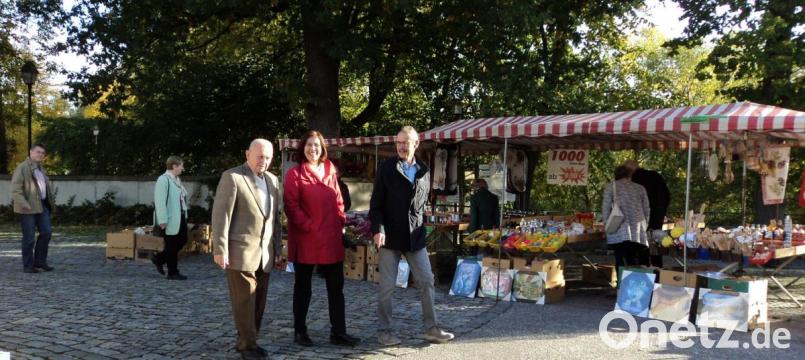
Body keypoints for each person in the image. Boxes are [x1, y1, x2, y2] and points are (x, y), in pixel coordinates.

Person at [369, 126, 455, 346]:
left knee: (427, 281)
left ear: (416, 144)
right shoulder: (386, 168)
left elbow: (421, 204)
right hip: (390, 237)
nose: (401, 146)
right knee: (387, 287)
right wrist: (378, 230)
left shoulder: (424, 170)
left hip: (415, 237)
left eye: (406, 142)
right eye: (398, 142)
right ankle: (384, 331)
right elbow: (376, 205)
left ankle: (432, 328)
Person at [283, 130, 360, 348]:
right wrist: (309, 226)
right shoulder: (295, 174)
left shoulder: (329, 169)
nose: (313, 149)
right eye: (309, 145)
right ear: (302, 147)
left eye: (316, 145)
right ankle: (300, 331)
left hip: (331, 236)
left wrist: (341, 220)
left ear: (322, 148)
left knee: (336, 287)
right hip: (306, 238)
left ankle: (339, 332)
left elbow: (338, 199)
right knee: (303, 287)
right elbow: (291, 206)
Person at [211, 139, 282, 360]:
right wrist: (220, 249)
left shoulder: (273, 180)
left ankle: (250, 339)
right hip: (239, 252)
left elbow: (275, 220)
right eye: (260, 156)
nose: (264, 161)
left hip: (265, 254)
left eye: (268, 157)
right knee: (244, 301)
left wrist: (278, 249)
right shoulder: (233, 177)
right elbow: (221, 216)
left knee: (258, 301)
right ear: (247, 154)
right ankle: (247, 345)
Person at [11, 144, 56, 273]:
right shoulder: (22, 168)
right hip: (27, 207)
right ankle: (28, 265)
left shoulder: (41, 169)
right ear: (31, 152)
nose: (40, 154)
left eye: (43, 153)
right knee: (29, 237)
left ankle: (40, 262)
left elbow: (45, 190)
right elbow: (15, 189)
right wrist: (24, 204)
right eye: (38, 152)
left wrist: (51, 204)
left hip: (42, 206)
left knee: (46, 233)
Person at [602, 165, 650, 277]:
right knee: (633, 259)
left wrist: (606, 226)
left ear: (616, 175)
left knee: (620, 259)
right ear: (630, 175)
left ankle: (621, 289)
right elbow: (646, 209)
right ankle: (632, 288)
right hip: (637, 231)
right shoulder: (640, 188)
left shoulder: (611, 187)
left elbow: (606, 208)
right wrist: (645, 226)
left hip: (618, 229)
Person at [623, 160, 670, 268]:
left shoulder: (633, 180)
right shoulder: (656, 176)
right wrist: (661, 212)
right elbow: (667, 196)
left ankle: (643, 269)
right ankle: (657, 270)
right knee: (656, 245)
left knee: (641, 246)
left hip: (641, 219)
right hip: (657, 218)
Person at [151, 155, 190, 280]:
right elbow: (159, 201)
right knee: (171, 245)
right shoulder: (163, 180)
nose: (182, 168)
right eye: (181, 166)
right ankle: (173, 272)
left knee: (183, 240)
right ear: (174, 166)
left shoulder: (176, 179)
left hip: (180, 217)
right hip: (170, 219)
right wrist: (162, 220)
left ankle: (159, 259)